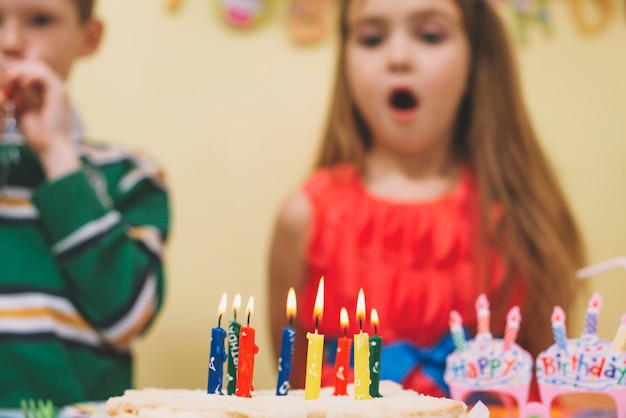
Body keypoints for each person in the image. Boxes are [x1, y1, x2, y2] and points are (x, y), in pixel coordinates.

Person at [268, 0, 586, 398]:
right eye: (371, 38)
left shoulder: (524, 216)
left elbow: (545, 385)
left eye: (430, 35)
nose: (398, 58)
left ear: (475, 60)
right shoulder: (304, 218)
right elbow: (294, 386)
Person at [0, 0, 169, 408]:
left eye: (40, 20)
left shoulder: (129, 175)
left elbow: (127, 319)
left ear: (88, 38)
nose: (10, 43)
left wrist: (57, 153)